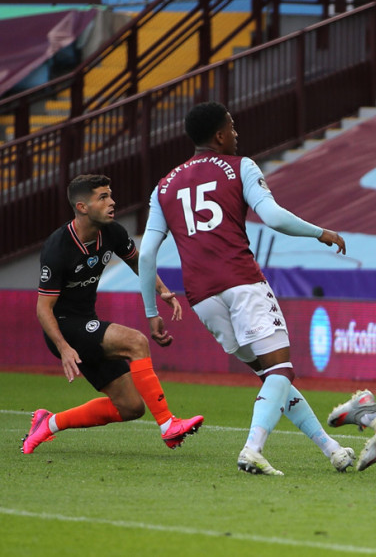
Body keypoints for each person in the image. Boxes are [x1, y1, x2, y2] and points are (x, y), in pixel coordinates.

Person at [138, 101, 355, 476]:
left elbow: (146, 257)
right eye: (232, 127)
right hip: (242, 282)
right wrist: (321, 232)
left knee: (273, 376)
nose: (236, 134)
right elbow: (271, 217)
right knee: (281, 370)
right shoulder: (241, 167)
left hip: (202, 298)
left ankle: (332, 449)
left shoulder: (163, 187)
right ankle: (252, 449)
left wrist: (151, 314)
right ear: (220, 135)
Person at [23, 174, 203, 455]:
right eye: (103, 197)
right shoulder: (57, 249)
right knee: (136, 341)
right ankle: (168, 425)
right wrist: (64, 348)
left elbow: (138, 265)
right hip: (65, 329)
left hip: (87, 322)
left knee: (131, 407)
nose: (112, 202)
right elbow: (43, 308)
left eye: (110, 195)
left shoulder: (113, 232)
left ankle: (48, 423)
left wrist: (162, 292)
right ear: (82, 207)